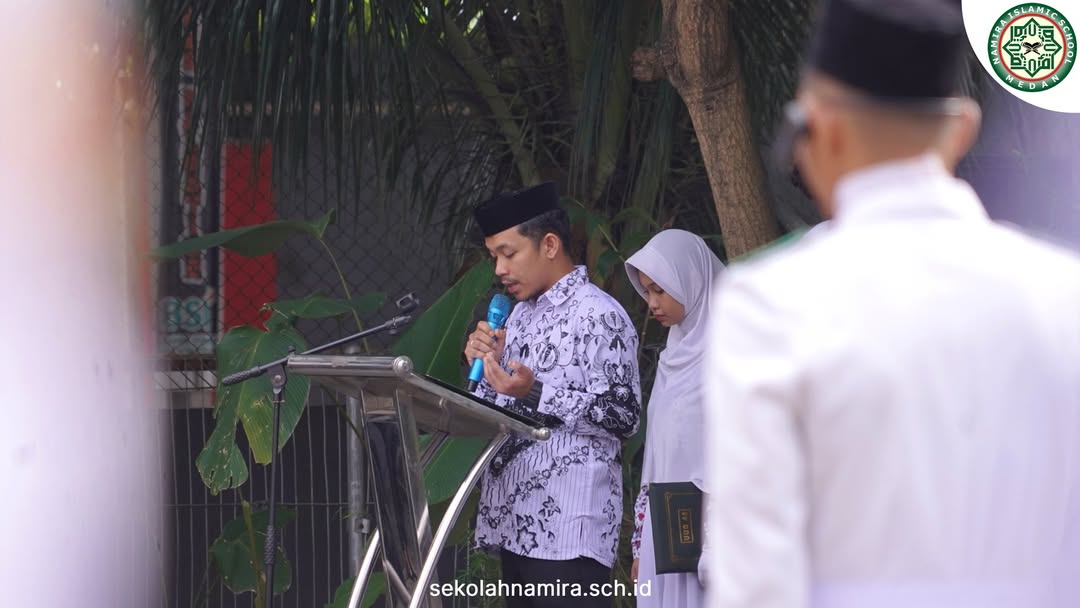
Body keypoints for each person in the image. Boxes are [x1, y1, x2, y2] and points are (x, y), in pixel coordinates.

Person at [702, 1, 1080, 607]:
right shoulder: (1063, 294)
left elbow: (757, 577)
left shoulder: (770, 305)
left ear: (821, 128)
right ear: (962, 129)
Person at [463, 182, 642, 607]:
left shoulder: (599, 315)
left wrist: (537, 392)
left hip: (568, 535)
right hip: (515, 527)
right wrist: (483, 366)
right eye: (494, 258)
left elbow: (625, 415)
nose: (499, 269)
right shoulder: (517, 317)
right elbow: (501, 409)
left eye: (508, 254)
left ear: (548, 244)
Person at [623, 229, 723, 606]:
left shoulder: (732, 356)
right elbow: (657, 454)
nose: (652, 303)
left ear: (692, 280)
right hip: (667, 532)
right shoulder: (672, 360)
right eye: (647, 291)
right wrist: (641, 545)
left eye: (660, 290)